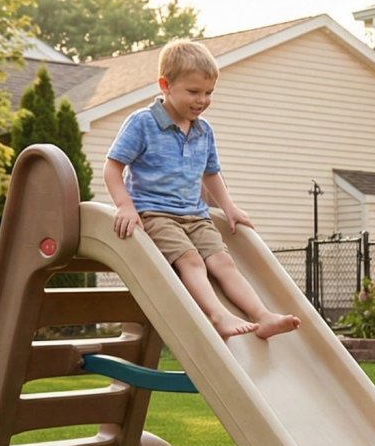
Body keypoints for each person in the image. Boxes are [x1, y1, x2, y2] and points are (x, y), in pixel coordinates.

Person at [102, 39, 300, 340]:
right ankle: (217, 315)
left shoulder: (203, 130)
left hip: (196, 214)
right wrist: (125, 206)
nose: (201, 100)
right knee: (191, 261)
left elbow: (211, 174)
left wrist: (229, 207)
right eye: (193, 92)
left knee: (223, 262)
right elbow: (112, 167)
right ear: (165, 85)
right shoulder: (143, 123)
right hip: (155, 214)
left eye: (208, 93)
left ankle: (263, 316)